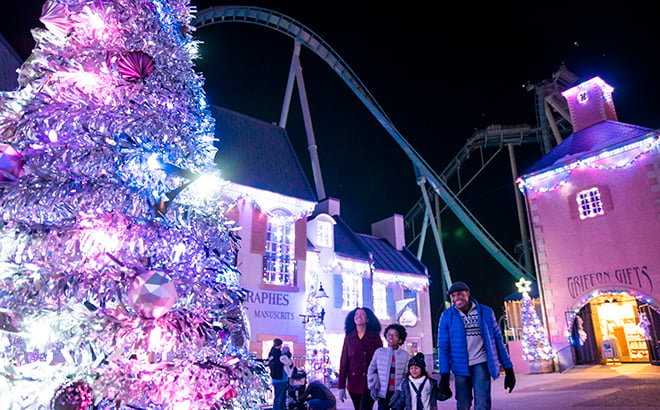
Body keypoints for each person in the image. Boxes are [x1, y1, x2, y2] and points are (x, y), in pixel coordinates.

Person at [437, 281, 515, 410]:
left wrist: (508, 369)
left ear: (467, 293)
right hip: (459, 365)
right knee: (463, 403)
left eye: (460, 294)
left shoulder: (486, 312)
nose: (457, 298)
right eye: (454, 295)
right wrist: (444, 375)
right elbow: (443, 347)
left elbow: (497, 340)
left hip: (481, 363)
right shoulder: (447, 316)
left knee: (483, 402)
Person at [338, 307, 383, 410]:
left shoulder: (374, 337)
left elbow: (381, 360)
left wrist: (380, 381)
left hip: (370, 382)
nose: (358, 316)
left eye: (362, 314)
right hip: (354, 383)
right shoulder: (349, 338)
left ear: (367, 319)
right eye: (356, 314)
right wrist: (341, 387)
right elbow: (344, 362)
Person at [367, 324, 410, 409]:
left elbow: (406, 375)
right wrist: (372, 386)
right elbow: (371, 370)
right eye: (388, 334)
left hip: (397, 395)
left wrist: (399, 390)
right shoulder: (379, 352)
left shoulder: (404, 355)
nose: (390, 337)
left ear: (400, 339)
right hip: (382, 394)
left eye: (394, 335)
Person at [266, 338, 288, 410]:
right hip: (281, 378)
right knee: (280, 398)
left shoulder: (271, 353)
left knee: (278, 396)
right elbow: (283, 364)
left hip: (275, 378)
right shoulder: (279, 354)